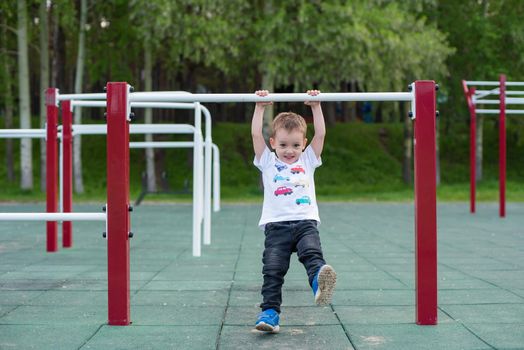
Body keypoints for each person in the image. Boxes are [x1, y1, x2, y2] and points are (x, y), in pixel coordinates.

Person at [251, 89, 337, 333]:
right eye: (284, 145)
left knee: (312, 253)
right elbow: (256, 133)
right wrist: (259, 107)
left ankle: (318, 282)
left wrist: (316, 106)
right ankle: (269, 313)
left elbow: (321, 132)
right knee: (272, 270)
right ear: (273, 144)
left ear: (304, 145)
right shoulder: (267, 161)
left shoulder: (307, 160)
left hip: (304, 222)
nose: (290, 150)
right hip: (276, 226)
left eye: (296, 145)